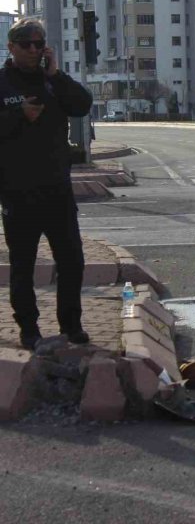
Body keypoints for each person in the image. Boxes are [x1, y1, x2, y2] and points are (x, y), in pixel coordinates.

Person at [0, 18, 93, 349]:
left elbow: (82, 105)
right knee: (23, 265)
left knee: (72, 259)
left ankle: (71, 325)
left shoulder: (52, 81)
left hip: (57, 189)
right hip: (17, 192)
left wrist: (55, 74)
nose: (34, 50)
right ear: (11, 47)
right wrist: (17, 116)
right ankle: (28, 328)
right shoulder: (3, 83)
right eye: (27, 44)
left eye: (39, 44)